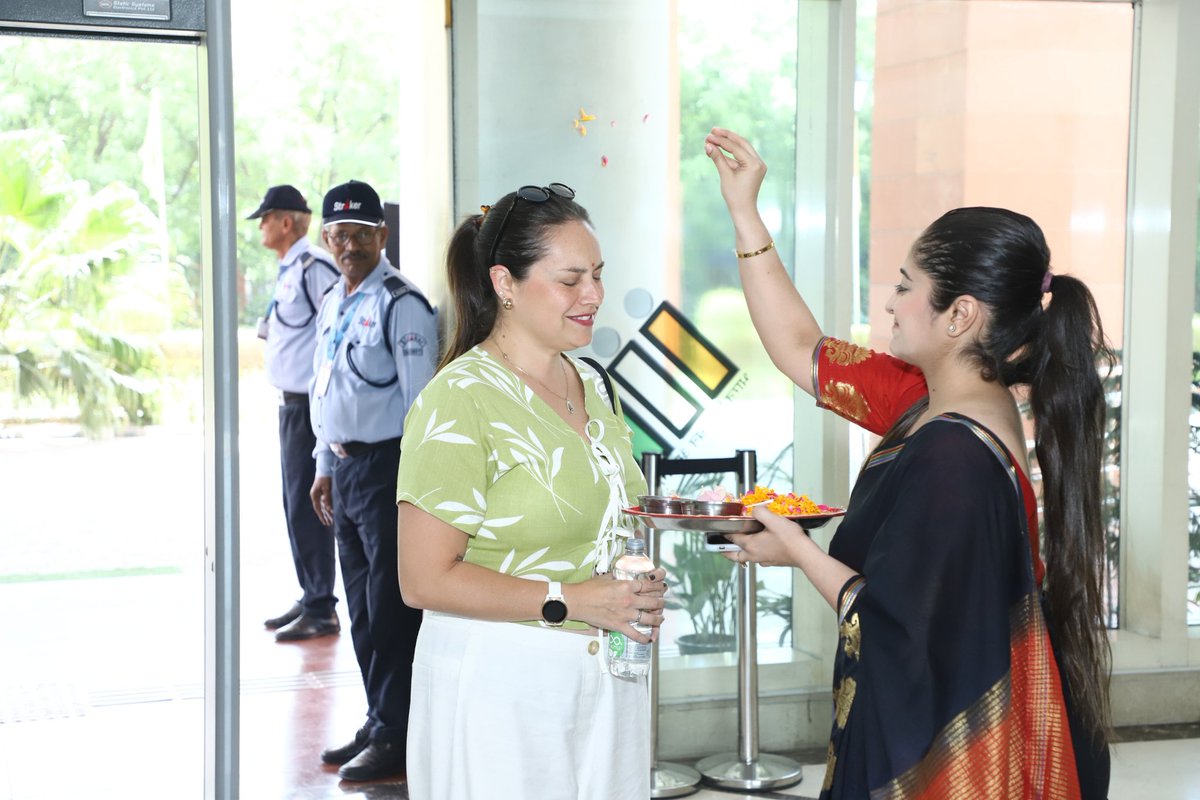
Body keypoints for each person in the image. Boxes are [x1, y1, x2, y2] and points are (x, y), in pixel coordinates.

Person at [704, 128, 1112, 799]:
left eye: (905, 285)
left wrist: (798, 552)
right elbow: (799, 347)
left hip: (958, 748)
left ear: (960, 316)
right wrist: (745, 210)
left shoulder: (953, 453)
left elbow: (897, 628)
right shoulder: (930, 395)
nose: (890, 302)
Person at [394, 182, 667, 800]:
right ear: (504, 283)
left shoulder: (595, 385)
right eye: (571, 280)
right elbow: (423, 579)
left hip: (607, 678)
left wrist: (630, 584)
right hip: (501, 688)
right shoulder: (460, 399)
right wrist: (569, 600)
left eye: (597, 275)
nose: (594, 295)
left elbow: (607, 521)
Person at [307, 179, 438, 782]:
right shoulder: (336, 299)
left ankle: (397, 734)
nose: (349, 243)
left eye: (360, 232)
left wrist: (415, 492)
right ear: (327, 237)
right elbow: (326, 387)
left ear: (381, 235)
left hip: (389, 470)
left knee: (388, 609)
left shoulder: (400, 303)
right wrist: (324, 466)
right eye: (338, 233)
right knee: (360, 607)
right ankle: (380, 717)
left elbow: (420, 407)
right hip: (347, 469)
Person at [246, 184, 342, 642]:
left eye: (265, 218)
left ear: (287, 222)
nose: (261, 226)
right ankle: (311, 592)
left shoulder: (314, 266)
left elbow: (335, 328)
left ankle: (322, 604)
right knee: (293, 502)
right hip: (291, 405)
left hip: (308, 405)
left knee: (308, 503)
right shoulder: (291, 269)